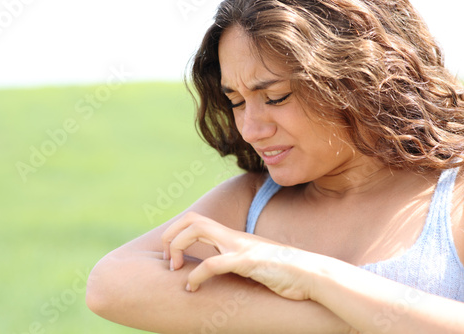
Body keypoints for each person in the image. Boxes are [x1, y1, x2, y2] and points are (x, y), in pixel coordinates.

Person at [86, 0, 464, 333]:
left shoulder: (454, 199)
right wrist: (355, 321)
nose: (251, 129)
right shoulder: (250, 201)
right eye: (235, 100)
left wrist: (310, 274)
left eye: (275, 97)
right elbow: (109, 285)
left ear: (359, 79)